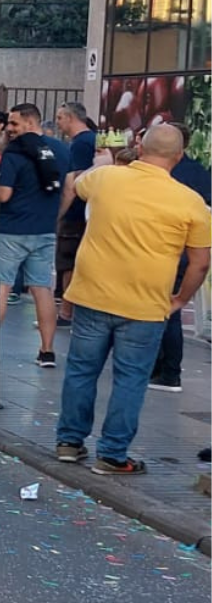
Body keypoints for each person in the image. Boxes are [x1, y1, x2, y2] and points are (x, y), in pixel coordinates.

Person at [54, 126, 210, 474]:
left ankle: (69, 441)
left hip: (93, 294)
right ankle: (111, 454)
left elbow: (75, 185)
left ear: (140, 148)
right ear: (179, 157)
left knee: (81, 370)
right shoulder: (189, 201)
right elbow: (200, 262)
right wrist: (179, 299)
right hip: (146, 303)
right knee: (131, 378)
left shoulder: (107, 178)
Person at [0, 102, 67, 368]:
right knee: (41, 288)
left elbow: (5, 194)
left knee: (0, 286)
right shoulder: (60, 150)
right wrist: (54, 217)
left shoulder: (15, 152)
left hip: (11, 229)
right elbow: (70, 189)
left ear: (31, 123)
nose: (9, 128)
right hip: (43, 230)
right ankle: (47, 351)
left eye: (14, 123)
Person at [149, 139, 210, 393]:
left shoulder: (166, 178)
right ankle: (165, 369)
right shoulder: (200, 172)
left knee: (164, 312)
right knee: (168, 309)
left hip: (169, 249)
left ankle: (167, 371)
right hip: (187, 250)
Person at [53, 101, 97, 327]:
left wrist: (60, 212)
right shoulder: (91, 139)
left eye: (60, 118)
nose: (58, 123)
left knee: (68, 262)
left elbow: (75, 181)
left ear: (70, 118)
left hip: (76, 212)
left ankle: (66, 311)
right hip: (87, 212)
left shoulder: (81, 144)